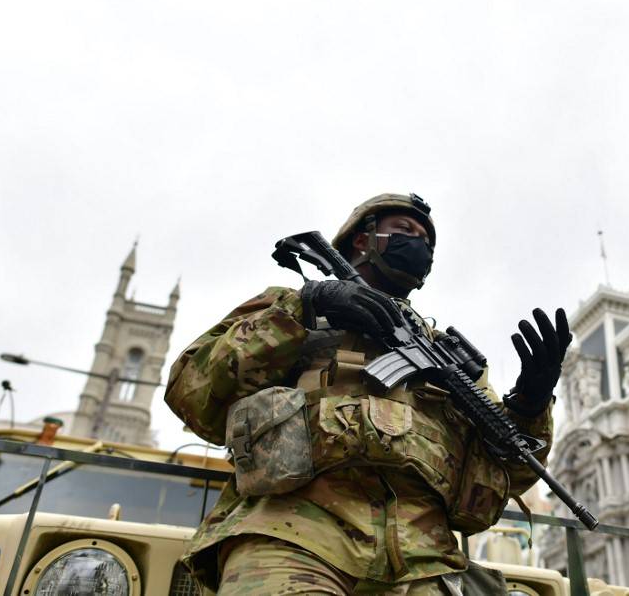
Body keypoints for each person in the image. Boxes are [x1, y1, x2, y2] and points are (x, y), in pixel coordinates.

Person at [165, 193, 571, 595]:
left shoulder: (447, 360)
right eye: (405, 230)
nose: (420, 245)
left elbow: (514, 473)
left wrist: (530, 404)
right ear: (363, 239)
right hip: (293, 535)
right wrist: (307, 306)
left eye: (427, 242)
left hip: (425, 562)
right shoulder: (296, 309)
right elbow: (191, 390)